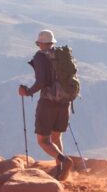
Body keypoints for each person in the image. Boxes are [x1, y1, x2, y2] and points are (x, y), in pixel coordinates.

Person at [19, 29, 74, 180]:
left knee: (43, 141)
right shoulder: (62, 56)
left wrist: (28, 91)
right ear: (52, 42)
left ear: (39, 43)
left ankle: (64, 161)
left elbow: (42, 81)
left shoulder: (40, 56)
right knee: (56, 137)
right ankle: (60, 171)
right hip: (64, 102)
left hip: (48, 102)